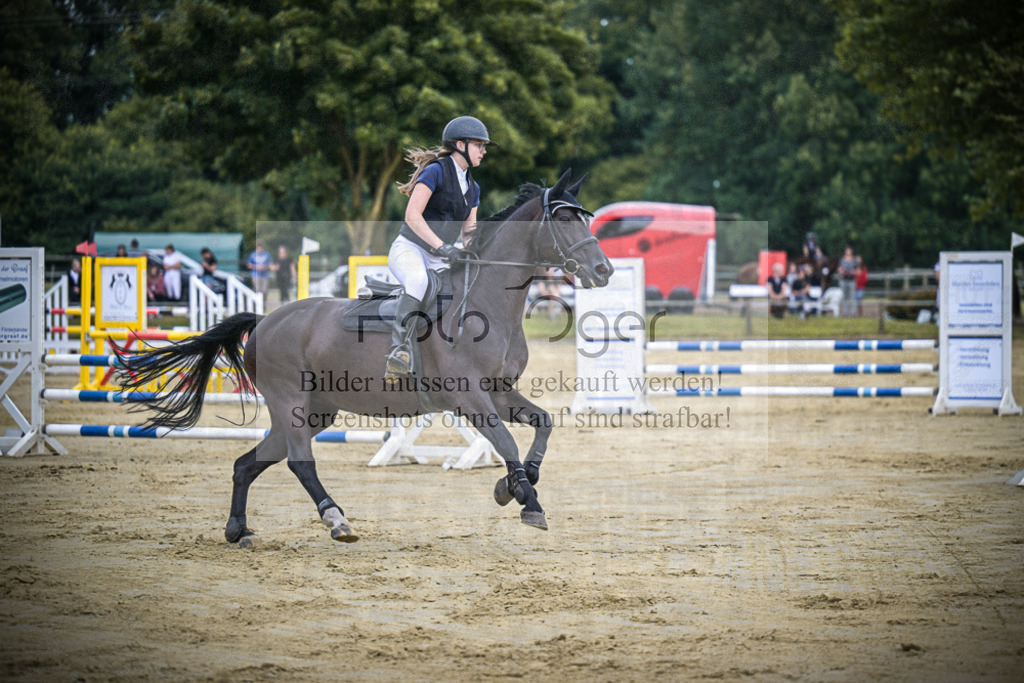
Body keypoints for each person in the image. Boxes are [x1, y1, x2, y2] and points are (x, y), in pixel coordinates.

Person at [384, 115, 494, 379]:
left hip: (441, 256)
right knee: (419, 281)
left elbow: (469, 231)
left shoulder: (473, 187)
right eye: (479, 145)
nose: (484, 151)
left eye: (484, 146)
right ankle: (399, 351)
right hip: (410, 249)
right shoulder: (436, 171)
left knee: (462, 288)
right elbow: (412, 215)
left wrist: (475, 252)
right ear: (460, 144)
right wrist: (444, 247)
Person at [837, 246, 859, 317]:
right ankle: (845, 313)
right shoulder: (842, 260)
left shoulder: (854, 260)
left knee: (852, 297)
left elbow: (858, 271)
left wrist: (853, 272)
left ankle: (853, 313)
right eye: (847, 251)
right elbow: (839, 269)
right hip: (844, 280)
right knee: (844, 297)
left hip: (852, 280)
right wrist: (841, 271)